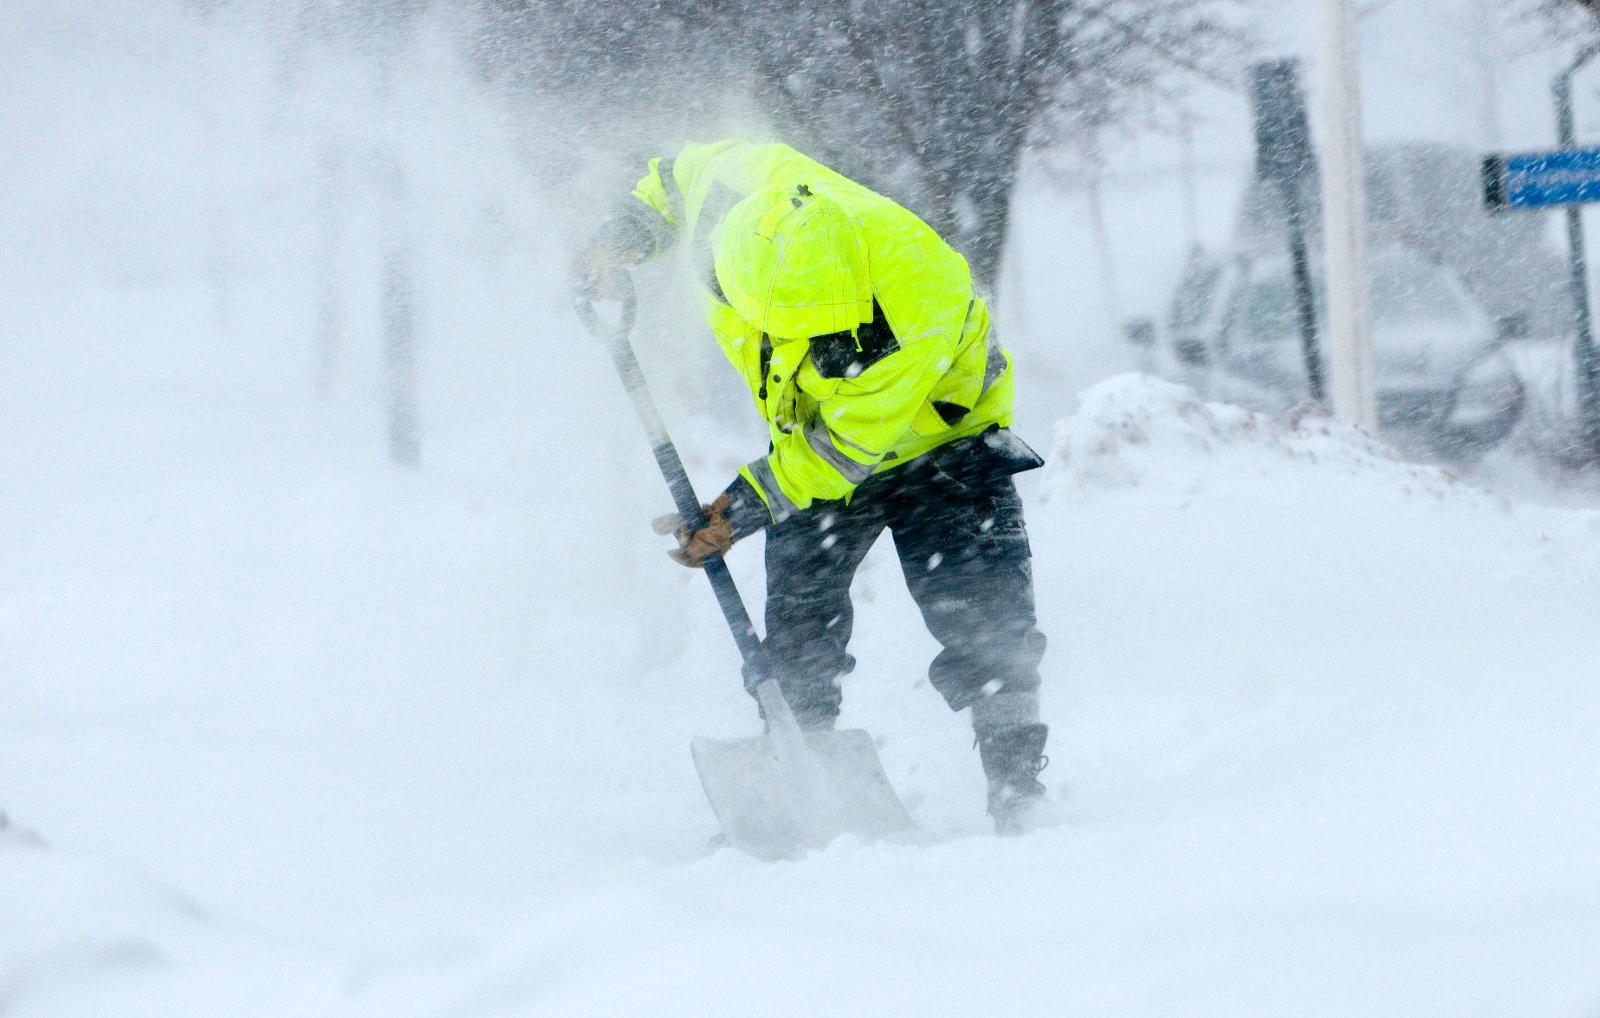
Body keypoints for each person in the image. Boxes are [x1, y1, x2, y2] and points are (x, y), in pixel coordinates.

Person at [575, 139, 1052, 834]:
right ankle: (800, 770)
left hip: (945, 442)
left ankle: (1019, 790)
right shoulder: (741, 189)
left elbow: (846, 446)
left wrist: (740, 509)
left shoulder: (922, 294)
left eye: (821, 339)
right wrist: (619, 241)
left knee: (987, 617)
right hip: (819, 442)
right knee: (800, 618)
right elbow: (672, 178)